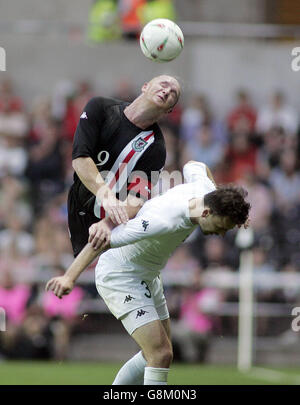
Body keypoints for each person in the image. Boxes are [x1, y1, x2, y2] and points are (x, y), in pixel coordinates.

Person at [46, 161, 250, 385]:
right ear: (207, 212)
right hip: (120, 274)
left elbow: (194, 164)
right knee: (159, 354)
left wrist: (232, 208)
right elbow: (101, 241)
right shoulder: (162, 221)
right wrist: (69, 277)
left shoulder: (206, 193)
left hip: (147, 274)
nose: (221, 234)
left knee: (161, 353)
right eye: (222, 226)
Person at [68, 74, 181, 257]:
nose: (167, 91)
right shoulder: (100, 108)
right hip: (78, 207)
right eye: (163, 84)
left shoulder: (155, 148)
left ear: (169, 111)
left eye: (173, 93)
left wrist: (107, 223)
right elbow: (80, 159)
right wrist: (107, 196)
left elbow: (135, 200)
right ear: (145, 86)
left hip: (112, 228)